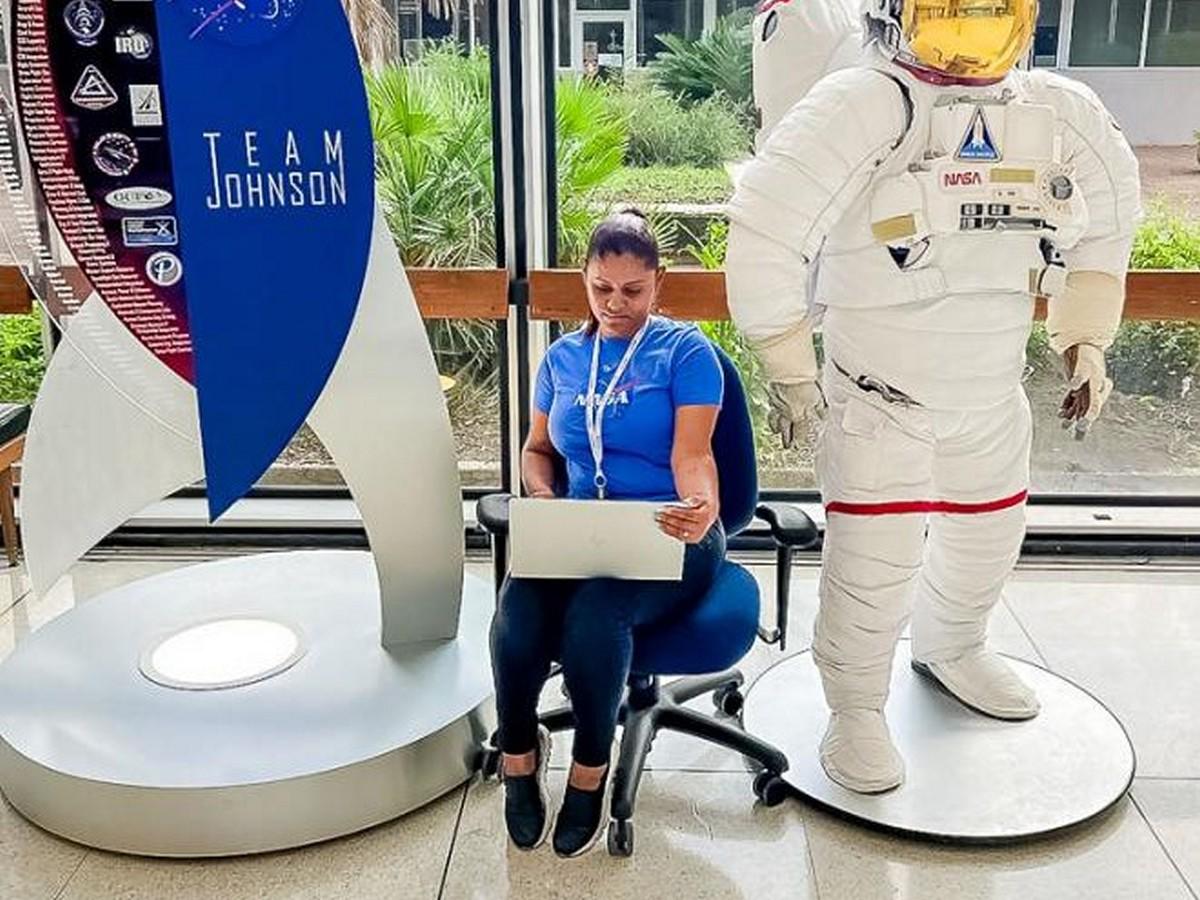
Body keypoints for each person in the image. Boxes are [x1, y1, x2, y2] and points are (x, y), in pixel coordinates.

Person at [726, 0, 1140, 794]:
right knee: (874, 566)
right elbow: (768, 229)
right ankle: (854, 707)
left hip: (991, 391)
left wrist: (1085, 337)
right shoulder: (864, 102)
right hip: (881, 398)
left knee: (989, 537)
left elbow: (1108, 218)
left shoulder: (1055, 110)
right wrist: (790, 367)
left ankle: (953, 645)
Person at [491, 208, 726, 856]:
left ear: (659, 286)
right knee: (517, 614)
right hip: (580, 529)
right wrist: (540, 491)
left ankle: (591, 772)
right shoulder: (564, 358)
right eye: (601, 289)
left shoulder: (685, 352)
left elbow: (693, 454)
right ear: (585, 281)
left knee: (597, 614)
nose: (615, 304)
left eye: (632, 291)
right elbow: (538, 448)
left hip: (669, 531)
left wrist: (700, 500)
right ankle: (518, 758)